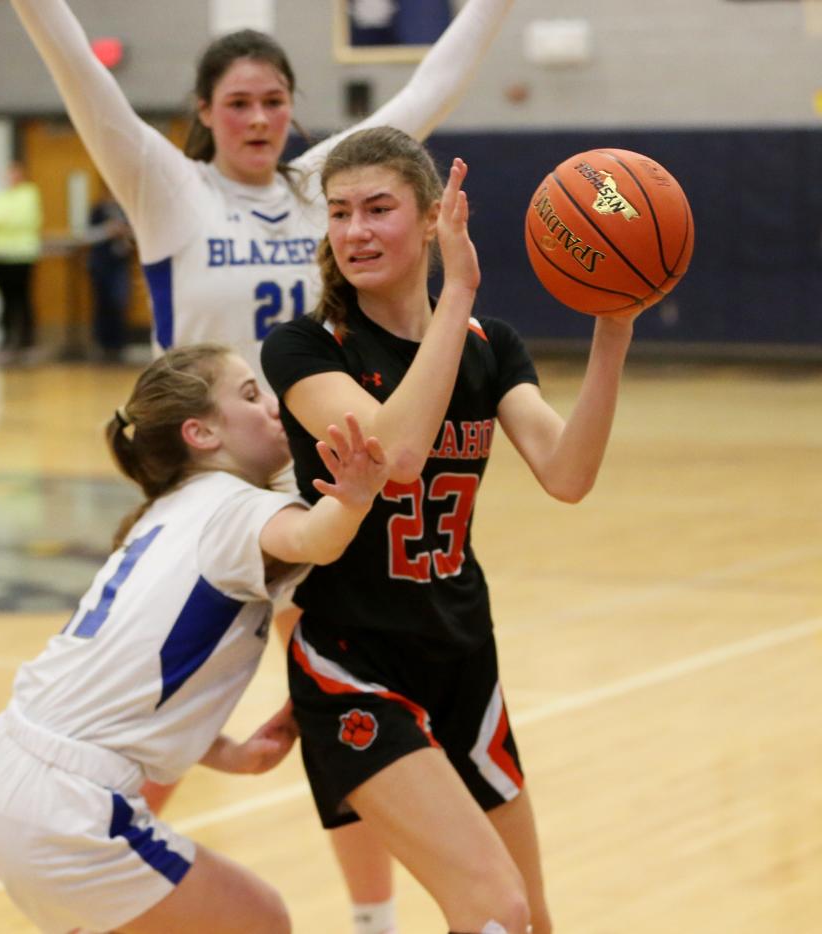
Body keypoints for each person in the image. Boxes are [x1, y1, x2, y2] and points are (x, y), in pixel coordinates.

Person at [9, 3, 516, 927]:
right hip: (215, 492)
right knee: (167, 689)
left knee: (341, 707)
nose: (256, 119)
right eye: (237, 102)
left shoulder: (323, 180)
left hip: (328, 482)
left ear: (293, 109)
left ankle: (374, 917)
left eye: (274, 101)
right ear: (204, 112)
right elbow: (81, 71)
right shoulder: (166, 182)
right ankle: (101, 871)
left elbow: (431, 86)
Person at [262, 126, 646, 934]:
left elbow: (567, 474)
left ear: (433, 218)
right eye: (339, 213)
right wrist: (459, 293)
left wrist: (613, 329)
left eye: (378, 208)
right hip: (354, 665)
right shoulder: (304, 348)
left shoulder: (490, 348)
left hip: (464, 654)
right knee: (492, 908)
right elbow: (396, 455)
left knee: (531, 920)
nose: (356, 230)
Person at [0, 343, 389, 934]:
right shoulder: (234, 509)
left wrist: (227, 753)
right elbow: (316, 540)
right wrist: (355, 493)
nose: (272, 407)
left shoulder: (166, 509)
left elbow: (130, 688)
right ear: (200, 433)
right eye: (249, 395)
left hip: (8, 764)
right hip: (68, 808)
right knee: (260, 921)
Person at [0, 160, 42, 364]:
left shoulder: (29, 195)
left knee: (21, 299)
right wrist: (4, 219)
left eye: (14, 173)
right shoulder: (0, 196)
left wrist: (2, 219)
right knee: (5, 301)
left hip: (21, 256)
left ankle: (26, 341)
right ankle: (6, 341)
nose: (10, 178)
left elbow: (22, 219)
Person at [86, 183, 134, 362]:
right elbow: (88, 234)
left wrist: (125, 233)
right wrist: (107, 231)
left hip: (119, 263)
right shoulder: (98, 210)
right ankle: (102, 343)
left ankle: (118, 344)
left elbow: (134, 235)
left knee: (119, 303)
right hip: (101, 264)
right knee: (102, 304)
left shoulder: (125, 210)